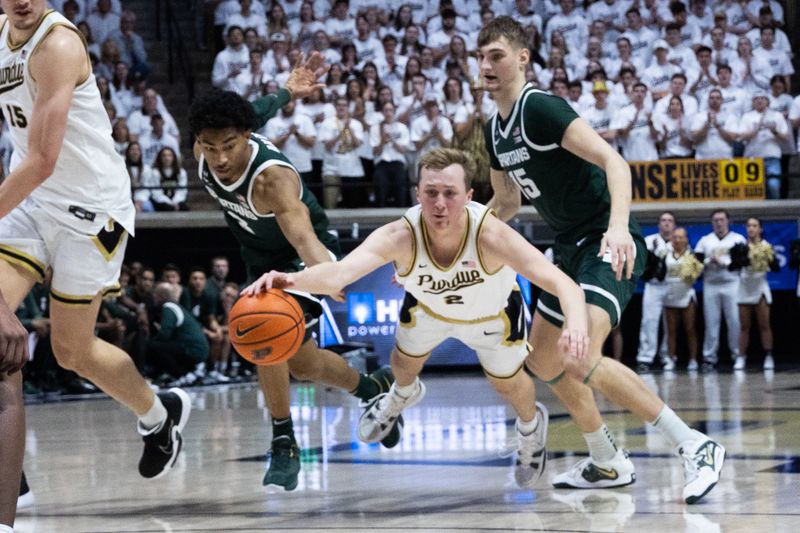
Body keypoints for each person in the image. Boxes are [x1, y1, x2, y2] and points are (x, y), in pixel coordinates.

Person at [476, 16, 725, 504]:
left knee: (580, 356)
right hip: (566, 248)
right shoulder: (493, 131)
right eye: (480, 57)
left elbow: (615, 162)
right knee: (543, 359)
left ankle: (694, 445)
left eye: (496, 56)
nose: (486, 65)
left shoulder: (541, 109)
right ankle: (606, 460)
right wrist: (459, 240)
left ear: (523, 58)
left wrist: (616, 226)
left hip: (604, 239)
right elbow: (505, 203)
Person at [243, 147, 590, 487]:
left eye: (450, 194)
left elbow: (563, 284)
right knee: (402, 362)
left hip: (491, 317)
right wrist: (288, 279)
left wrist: (575, 325)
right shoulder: (401, 235)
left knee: (508, 386)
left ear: (468, 196)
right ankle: (401, 394)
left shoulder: (491, 235)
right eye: (431, 192)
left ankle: (530, 427)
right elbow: (338, 275)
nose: (440, 203)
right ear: (417, 194)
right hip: (430, 308)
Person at [0, 4, 191, 531]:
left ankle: (158, 414)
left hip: (91, 209)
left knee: (71, 350)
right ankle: (6, 478)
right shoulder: (1, 37)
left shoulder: (57, 44)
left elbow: (43, 159)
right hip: (31, 204)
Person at [187, 54, 397, 492]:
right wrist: (286, 91)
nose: (220, 157)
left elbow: (303, 239)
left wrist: (329, 276)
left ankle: (283, 441)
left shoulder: (272, 181)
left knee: (262, 329)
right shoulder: (204, 148)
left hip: (306, 256)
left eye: (229, 145)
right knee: (303, 364)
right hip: (259, 259)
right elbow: (252, 111)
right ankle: (372, 388)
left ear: (247, 139)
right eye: (211, 147)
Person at [693, 210, 747, 370]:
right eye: (716, 220)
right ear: (712, 222)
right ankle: (709, 357)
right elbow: (695, 264)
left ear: (728, 221)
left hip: (732, 283)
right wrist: (709, 261)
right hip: (711, 284)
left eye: (721, 219)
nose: (719, 223)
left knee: (735, 321)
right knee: (711, 322)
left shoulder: (738, 239)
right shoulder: (705, 240)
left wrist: (723, 262)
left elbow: (742, 262)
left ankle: (738, 355)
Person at [737, 217, 779, 371]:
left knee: (764, 324)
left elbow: (775, 268)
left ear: (760, 229)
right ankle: (741, 357)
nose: (751, 228)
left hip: (760, 286)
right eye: (748, 225)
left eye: (754, 225)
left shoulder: (767, 246)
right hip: (744, 287)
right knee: (744, 326)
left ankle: (768, 356)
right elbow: (733, 267)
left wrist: (771, 259)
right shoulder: (741, 246)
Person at [636, 212, 675, 371]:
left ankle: (667, 356)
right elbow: (641, 265)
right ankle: (645, 357)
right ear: (659, 224)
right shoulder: (649, 241)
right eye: (663, 220)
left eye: (669, 221)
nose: (666, 223)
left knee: (670, 323)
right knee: (649, 322)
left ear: (674, 224)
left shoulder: (679, 241)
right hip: (653, 286)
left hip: (673, 286)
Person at [663, 227, 702, 371]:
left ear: (686, 239)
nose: (677, 240)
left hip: (686, 295)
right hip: (670, 295)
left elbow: (698, 275)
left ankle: (693, 359)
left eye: (680, 237)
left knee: (690, 329)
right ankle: (671, 359)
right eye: (675, 237)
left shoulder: (692, 256)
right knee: (671, 331)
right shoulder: (666, 255)